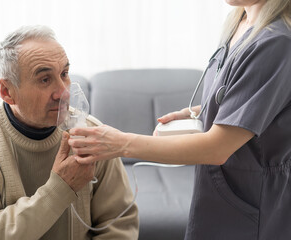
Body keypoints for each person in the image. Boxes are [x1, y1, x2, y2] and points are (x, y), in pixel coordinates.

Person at [67, 0, 291, 239]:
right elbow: (244, 96)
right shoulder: (239, 23)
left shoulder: (275, 43)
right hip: (218, 195)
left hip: (254, 203)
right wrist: (199, 111)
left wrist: (120, 144)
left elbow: (218, 148)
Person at [0, 25, 138, 240]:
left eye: (64, 74)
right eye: (45, 79)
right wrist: (60, 188)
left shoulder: (90, 135)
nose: (63, 92)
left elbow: (119, 225)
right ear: (7, 92)